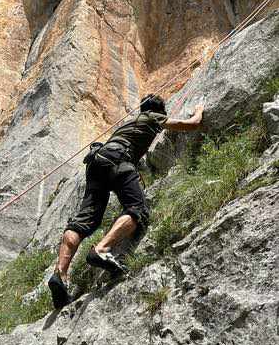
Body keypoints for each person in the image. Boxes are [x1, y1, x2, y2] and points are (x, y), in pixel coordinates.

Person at [48, 94, 204, 309]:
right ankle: (102, 250)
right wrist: (199, 109)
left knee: (85, 222)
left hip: (96, 163)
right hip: (119, 160)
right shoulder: (152, 116)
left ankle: (60, 273)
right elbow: (191, 125)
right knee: (136, 209)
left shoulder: (128, 125)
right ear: (159, 110)